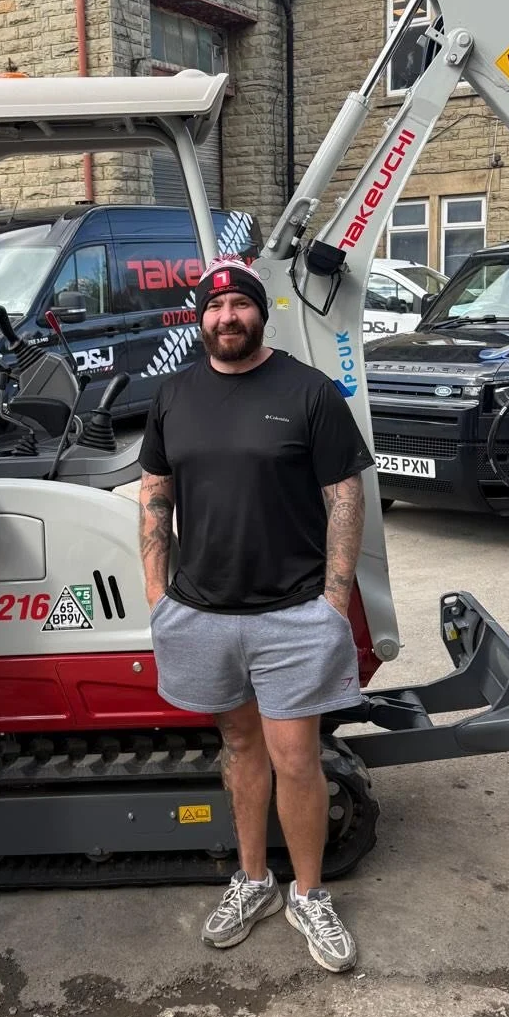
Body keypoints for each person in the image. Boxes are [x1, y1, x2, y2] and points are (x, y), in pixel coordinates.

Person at [138, 256, 373, 972]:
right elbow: (155, 492)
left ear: (260, 312)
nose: (226, 317)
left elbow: (345, 497)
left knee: (296, 757)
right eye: (213, 308)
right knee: (240, 749)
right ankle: (253, 881)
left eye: (239, 304)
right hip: (204, 612)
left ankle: (309, 893)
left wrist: (334, 602)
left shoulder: (309, 391)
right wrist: (156, 593)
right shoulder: (173, 395)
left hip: (292, 613)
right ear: (199, 319)